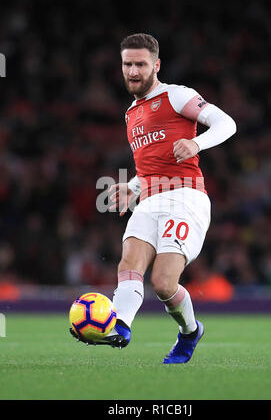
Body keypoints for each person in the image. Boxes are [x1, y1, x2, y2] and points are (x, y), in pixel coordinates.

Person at [71, 33, 236, 364]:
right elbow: (150, 166)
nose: (133, 71)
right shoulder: (131, 113)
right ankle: (121, 326)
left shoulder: (176, 96)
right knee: (128, 264)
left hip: (185, 197)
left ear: (156, 65)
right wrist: (131, 187)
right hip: (149, 199)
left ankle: (190, 332)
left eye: (140, 64)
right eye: (127, 64)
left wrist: (197, 144)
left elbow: (226, 123)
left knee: (162, 283)